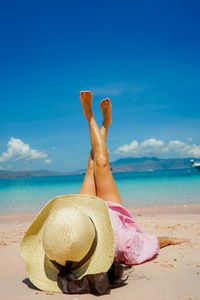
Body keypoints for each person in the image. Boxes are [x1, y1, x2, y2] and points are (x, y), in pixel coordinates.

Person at [20, 91, 189, 295]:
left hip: (82, 216)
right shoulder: (123, 244)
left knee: (92, 166)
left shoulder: (61, 242)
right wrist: (170, 239)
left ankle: (94, 119)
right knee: (102, 163)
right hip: (113, 213)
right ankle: (101, 122)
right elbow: (151, 241)